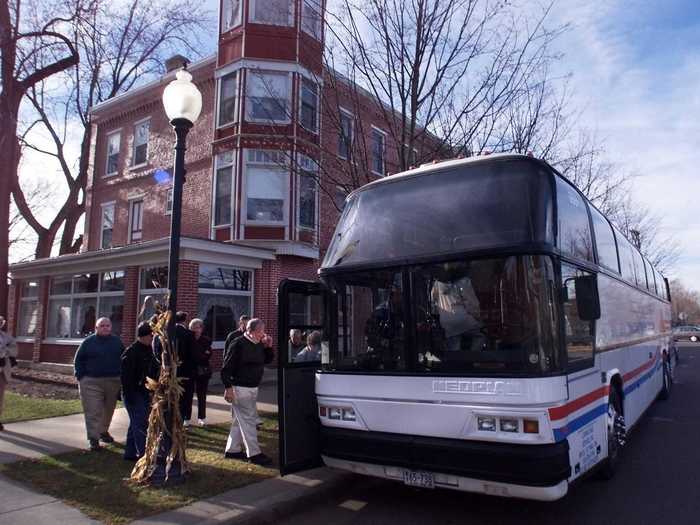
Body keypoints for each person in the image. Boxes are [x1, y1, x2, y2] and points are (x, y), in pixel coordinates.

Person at [221, 318, 274, 465]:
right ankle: (255, 453)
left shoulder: (259, 344)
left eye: (263, 331)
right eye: (259, 332)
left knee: (239, 421)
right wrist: (228, 388)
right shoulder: (238, 344)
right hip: (240, 387)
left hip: (253, 387)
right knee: (249, 420)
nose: (262, 334)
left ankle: (232, 450)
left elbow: (267, 360)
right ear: (249, 331)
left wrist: (269, 347)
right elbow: (226, 368)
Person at [74, 317, 123, 451]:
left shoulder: (117, 342)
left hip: (112, 381)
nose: (105, 328)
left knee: (108, 410)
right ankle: (93, 438)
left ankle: (103, 431)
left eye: (107, 325)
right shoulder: (88, 342)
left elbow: (124, 359)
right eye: (102, 326)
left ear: (111, 327)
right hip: (91, 382)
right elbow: (78, 360)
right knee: (93, 410)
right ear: (96, 328)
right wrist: (81, 376)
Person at [121, 322, 158, 461]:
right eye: (150, 335)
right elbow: (126, 377)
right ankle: (144, 455)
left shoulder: (149, 350)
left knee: (135, 423)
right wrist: (129, 396)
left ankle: (130, 453)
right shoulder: (131, 352)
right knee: (140, 423)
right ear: (143, 336)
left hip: (143, 392)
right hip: (133, 393)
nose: (152, 338)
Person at [173, 311, 197, 427]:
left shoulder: (169, 332)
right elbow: (193, 355)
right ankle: (183, 419)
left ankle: (173, 418)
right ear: (185, 320)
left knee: (174, 396)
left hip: (172, 370)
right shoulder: (189, 334)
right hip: (187, 370)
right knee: (186, 396)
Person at [189, 318, 212, 426]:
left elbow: (208, 354)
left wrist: (200, 355)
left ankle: (202, 417)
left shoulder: (206, 340)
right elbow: (188, 355)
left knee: (201, 395)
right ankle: (186, 418)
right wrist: (201, 355)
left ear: (201, 329)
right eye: (192, 328)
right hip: (190, 371)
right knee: (188, 396)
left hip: (203, 372)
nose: (195, 330)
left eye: (197, 327)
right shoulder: (188, 339)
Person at [0, 316, 18, 431]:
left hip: (2, 371)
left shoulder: (6, 336)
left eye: (1, 322)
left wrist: (4, 351)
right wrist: (4, 350)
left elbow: (14, 350)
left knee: (0, 397)